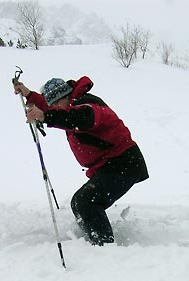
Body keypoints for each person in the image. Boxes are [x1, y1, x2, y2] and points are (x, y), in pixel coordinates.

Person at [14, 76, 149, 246]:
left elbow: (79, 117)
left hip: (123, 163)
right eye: (52, 105)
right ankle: (93, 240)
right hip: (110, 165)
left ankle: (104, 247)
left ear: (65, 97)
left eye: (56, 103)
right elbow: (54, 109)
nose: (55, 108)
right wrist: (29, 95)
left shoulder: (88, 105)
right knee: (79, 203)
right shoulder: (69, 105)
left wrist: (45, 116)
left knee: (86, 201)